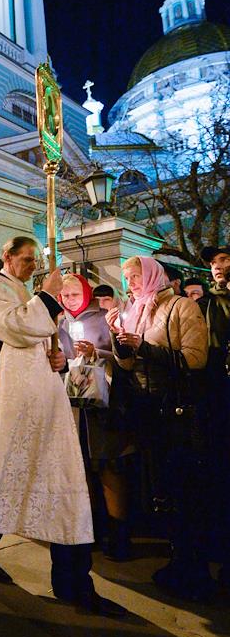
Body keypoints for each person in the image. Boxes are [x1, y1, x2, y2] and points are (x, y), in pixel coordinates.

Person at [0, 236, 126, 617]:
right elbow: (15, 327)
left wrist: (57, 358)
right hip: (13, 404)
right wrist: (47, 295)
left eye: (36, 260)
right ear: (7, 256)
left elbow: (42, 342)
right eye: (27, 259)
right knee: (11, 475)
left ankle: (72, 579)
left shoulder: (26, 293)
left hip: (44, 399)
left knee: (60, 483)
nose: (33, 266)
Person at [106, 255, 209, 600]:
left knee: (184, 488)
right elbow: (127, 365)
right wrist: (118, 338)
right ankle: (177, 560)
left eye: (135, 276)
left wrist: (144, 347)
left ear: (152, 274)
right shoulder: (134, 311)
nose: (131, 284)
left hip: (176, 412)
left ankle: (193, 569)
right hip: (147, 411)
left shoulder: (180, 307)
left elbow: (195, 359)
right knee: (161, 488)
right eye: (127, 278)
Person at [57, 272, 133, 560]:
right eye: (65, 295)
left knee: (109, 467)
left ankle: (119, 534)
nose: (70, 300)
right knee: (83, 468)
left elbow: (123, 358)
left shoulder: (104, 317)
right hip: (76, 405)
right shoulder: (61, 323)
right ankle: (93, 529)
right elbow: (61, 359)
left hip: (104, 404)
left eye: (75, 294)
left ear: (87, 294)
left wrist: (95, 352)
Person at [197, 245, 230, 586]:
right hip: (219, 397)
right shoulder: (206, 304)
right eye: (212, 262)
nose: (216, 266)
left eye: (223, 259)